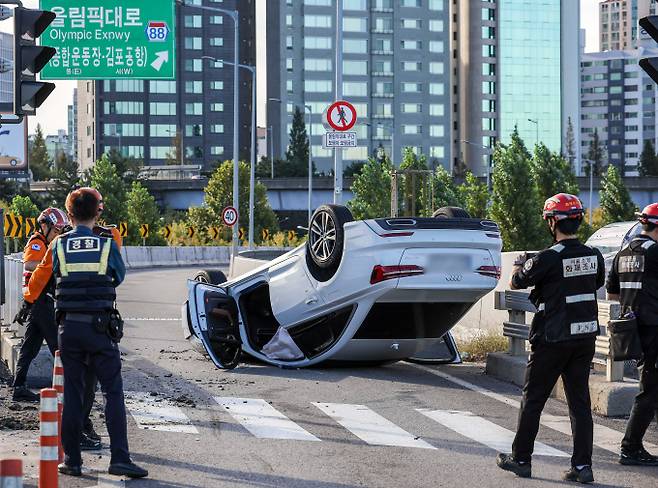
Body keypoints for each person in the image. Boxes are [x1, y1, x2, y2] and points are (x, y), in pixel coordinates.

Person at [496, 193, 605, 484]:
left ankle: (521, 459)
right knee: (579, 404)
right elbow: (596, 283)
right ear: (578, 220)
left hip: (552, 339)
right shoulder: (594, 255)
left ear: (552, 222)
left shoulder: (547, 258)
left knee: (533, 400)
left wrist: (521, 265)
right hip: (584, 338)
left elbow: (516, 282)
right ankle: (582, 467)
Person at [48, 188, 146, 478]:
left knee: (74, 395)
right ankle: (120, 459)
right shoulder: (106, 245)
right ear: (97, 212)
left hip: (69, 330)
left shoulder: (59, 245)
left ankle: (72, 462)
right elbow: (118, 276)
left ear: (69, 214)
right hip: (100, 329)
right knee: (112, 392)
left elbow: (55, 274)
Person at [606, 203, 658, 466]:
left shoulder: (623, 253)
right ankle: (630, 448)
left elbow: (612, 294)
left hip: (633, 329)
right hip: (654, 328)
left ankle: (634, 445)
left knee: (650, 388)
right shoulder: (656, 252)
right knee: (649, 391)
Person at [11, 208, 69, 402]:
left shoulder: (48, 243)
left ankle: (18, 387)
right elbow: (29, 264)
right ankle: (69, 390)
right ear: (44, 226)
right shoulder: (37, 242)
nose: (57, 235)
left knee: (29, 348)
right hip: (40, 301)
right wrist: (51, 265)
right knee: (58, 346)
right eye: (55, 231)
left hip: (37, 302)